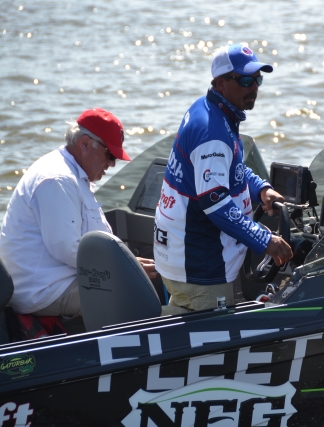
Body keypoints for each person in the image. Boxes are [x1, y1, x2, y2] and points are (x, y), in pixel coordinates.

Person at [154, 43, 293, 313]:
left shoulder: (208, 110)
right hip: (200, 268)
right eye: (245, 81)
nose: (253, 88)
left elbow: (230, 169)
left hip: (183, 259)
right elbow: (216, 203)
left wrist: (260, 189)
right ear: (220, 83)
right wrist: (264, 240)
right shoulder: (213, 133)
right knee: (202, 336)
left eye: (257, 80)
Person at [0, 108, 157, 317]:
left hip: (58, 279)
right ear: (85, 144)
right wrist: (126, 267)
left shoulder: (72, 173)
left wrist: (128, 263)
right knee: (133, 294)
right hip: (45, 291)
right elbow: (67, 248)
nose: (112, 164)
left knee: (140, 280)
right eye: (110, 155)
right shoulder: (58, 179)